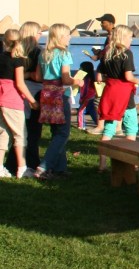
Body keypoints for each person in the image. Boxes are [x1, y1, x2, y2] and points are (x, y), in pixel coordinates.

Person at [34, 23, 83, 180]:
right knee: (63, 133)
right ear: (61, 37)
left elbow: (38, 77)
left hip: (47, 93)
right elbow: (65, 78)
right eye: (68, 34)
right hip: (60, 95)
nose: (70, 37)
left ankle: (59, 169)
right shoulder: (64, 54)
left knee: (56, 132)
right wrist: (77, 81)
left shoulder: (44, 53)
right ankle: (44, 166)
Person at [96, 25, 139, 171]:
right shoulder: (127, 53)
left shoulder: (107, 53)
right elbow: (128, 76)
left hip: (110, 92)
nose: (131, 41)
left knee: (108, 129)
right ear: (123, 37)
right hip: (124, 95)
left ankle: (102, 164)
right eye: (129, 37)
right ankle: (130, 163)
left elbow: (99, 77)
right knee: (131, 128)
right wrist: (137, 81)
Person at [0, 29, 38, 178]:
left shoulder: (1, 57)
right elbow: (20, 84)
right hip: (12, 100)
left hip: (1, 98)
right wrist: (33, 101)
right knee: (20, 134)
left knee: (3, 134)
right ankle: (22, 168)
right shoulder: (18, 60)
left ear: (4, 41)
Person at [75, 61, 99, 131]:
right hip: (92, 97)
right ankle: (99, 123)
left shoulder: (85, 79)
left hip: (87, 98)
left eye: (80, 68)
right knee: (92, 111)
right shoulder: (91, 78)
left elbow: (85, 90)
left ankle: (81, 126)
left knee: (81, 111)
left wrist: (82, 99)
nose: (79, 69)